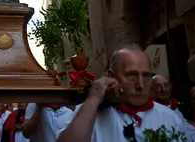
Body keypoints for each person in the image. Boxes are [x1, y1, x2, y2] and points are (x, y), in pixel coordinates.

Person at [57, 44, 185, 142]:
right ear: (112, 76)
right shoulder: (89, 115)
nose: (140, 85)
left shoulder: (169, 117)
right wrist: (94, 98)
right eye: (132, 76)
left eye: (146, 76)